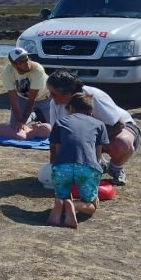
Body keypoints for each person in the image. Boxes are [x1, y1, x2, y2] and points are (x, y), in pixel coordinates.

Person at [47, 69, 140, 186]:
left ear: (68, 93)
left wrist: (89, 140)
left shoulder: (92, 96)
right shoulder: (54, 104)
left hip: (121, 128)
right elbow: (55, 137)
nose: (50, 96)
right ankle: (98, 163)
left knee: (121, 143)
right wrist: (54, 165)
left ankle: (116, 168)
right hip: (91, 135)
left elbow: (118, 124)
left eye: (53, 93)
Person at [47, 93, 109, 229]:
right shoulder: (99, 124)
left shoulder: (60, 122)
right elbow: (97, 157)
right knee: (92, 205)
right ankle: (74, 205)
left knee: (63, 192)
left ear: (71, 109)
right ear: (90, 111)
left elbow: (57, 151)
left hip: (62, 167)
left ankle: (62, 203)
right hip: (87, 166)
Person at [0, 47, 52, 139]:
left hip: (44, 98)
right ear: (14, 65)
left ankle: (36, 115)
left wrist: (22, 122)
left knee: (52, 129)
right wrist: (18, 120)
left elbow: (31, 100)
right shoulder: (8, 71)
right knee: (15, 126)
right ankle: (34, 115)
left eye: (27, 59)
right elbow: (13, 98)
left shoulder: (37, 69)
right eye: (21, 62)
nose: (26, 63)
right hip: (23, 98)